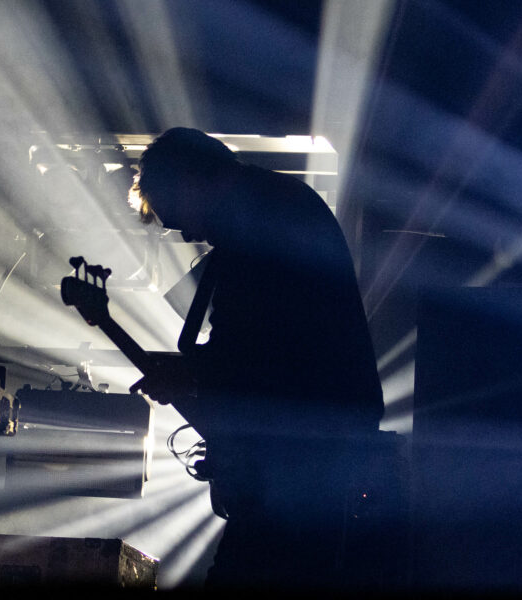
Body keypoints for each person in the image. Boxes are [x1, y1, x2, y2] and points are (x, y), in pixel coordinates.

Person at [128, 128, 384, 592]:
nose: (187, 233)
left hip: (303, 459)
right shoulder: (270, 207)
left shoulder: (259, 222)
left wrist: (194, 377)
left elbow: (258, 353)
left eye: (178, 218)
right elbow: (265, 348)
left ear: (188, 180)